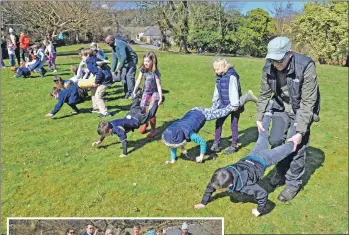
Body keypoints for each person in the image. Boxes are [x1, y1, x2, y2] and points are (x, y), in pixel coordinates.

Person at [256, 36, 321, 202]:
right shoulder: (269, 66)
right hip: (281, 107)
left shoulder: (306, 66)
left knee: (295, 146)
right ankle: (281, 171)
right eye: (272, 60)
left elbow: (308, 102)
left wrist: (300, 131)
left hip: (301, 110)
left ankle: (293, 183)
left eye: (279, 60)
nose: (275, 64)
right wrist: (259, 117)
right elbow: (264, 94)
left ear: (289, 54)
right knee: (276, 140)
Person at [194, 113, 295, 216]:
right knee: (262, 135)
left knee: (290, 147)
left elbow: (262, 194)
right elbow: (210, 186)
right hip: (252, 155)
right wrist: (203, 203)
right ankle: (268, 113)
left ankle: (297, 125)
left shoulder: (245, 186)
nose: (214, 187)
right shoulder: (223, 173)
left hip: (264, 159)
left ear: (230, 185)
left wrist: (259, 210)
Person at [162, 90, 257, 164]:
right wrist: (172, 160)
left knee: (225, 111)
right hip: (193, 112)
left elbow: (202, 142)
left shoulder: (190, 134)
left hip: (201, 114)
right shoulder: (174, 131)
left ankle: (246, 97)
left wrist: (201, 156)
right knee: (214, 109)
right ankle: (220, 98)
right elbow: (172, 146)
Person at [92, 88, 163, 157]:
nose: (104, 135)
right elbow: (104, 131)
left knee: (150, 115)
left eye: (104, 134)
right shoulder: (109, 124)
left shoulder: (117, 129)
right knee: (134, 106)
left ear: (110, 130)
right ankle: (138, 93)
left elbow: (124, 141)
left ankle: (157, 100)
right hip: (131, 114)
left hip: (137, 120)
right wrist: (100, 140)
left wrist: (124, 153)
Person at [210, 58, 257, 155]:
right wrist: (215, 102)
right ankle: (216, 143)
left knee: (234, 125)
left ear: (224, 67)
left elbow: (234, 90)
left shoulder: (231, 76)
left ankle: (233, 145)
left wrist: (235, 105)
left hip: (234, 105)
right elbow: (217, 90)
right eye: (214, 69)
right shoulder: (218, 76)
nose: (216, 71)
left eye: (217, 69)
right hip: (223, 104)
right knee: (218, 122)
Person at [133, 51, 163, 138]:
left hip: (155, 92)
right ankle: (145, 123)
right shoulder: (143, 69)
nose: (145, 63)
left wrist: (160, 98)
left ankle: (154, 130)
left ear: (152, 61)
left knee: (151, 111)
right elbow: (139, 80)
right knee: (142, 108)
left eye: (148, 61)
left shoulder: (155, 71)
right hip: (146, 91)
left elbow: (158, 85)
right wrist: (134, 91)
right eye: (144, 61)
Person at [105, 34, 138, 99]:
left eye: (108, 43)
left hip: (131, 60)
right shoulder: (113, 46)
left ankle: (132, 93)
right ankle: (127, 93)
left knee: (129, 76)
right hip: (124, 62)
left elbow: (124, 56)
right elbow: (115, 59)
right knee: (123, 77)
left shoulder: (120, 43)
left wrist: (119, 68)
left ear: (112, 40)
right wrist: (112, 71)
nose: (107, 44)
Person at [82, 48, 113, 117]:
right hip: (106, 76)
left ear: (87, 55)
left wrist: (96, 82)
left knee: (98, 95)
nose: (81, 57)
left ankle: (105, 113)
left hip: (105, 79)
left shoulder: (89, 62)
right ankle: (96, 108)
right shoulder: (94, 58)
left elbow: (99, 73)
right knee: (93, 90)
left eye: (82, 56)